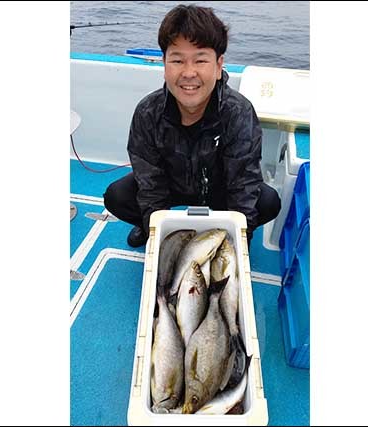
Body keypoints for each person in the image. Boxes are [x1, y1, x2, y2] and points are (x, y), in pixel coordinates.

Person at [104, 4, 281, 248]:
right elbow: (151, 185)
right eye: (177, 60)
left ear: (219, 66)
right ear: (164, 63)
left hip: (219, 191)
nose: (188, 73)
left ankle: (221, 237)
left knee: (268, 202)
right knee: (117, 196)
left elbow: (243, 186)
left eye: (200, 60)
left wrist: (238, 243)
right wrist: (156, 230)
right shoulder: (148, 113)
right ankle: (148, 228)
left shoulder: (238, 112)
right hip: (171, 187)